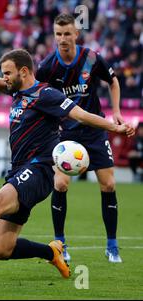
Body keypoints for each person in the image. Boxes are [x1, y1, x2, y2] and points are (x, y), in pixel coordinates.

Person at [0, 49, 134, 280]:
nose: (5, 78)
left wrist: (114, 127)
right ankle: (52, 252)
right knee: (1, 249)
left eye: (8, 73)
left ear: (24, 71)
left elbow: (80, 114)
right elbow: (4, 85)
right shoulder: (19, 93)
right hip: (19, 171)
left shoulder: (47, 94)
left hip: (40, 169)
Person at [35, 13, 126, 263]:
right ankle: (60, 244)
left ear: (76, 34)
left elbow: (113, 81)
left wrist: (116, 112)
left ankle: (112, 245)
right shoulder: (46, 67)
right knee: (61, 184)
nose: (62, 39)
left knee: (108, 185)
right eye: (58, 34)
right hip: (65, 133)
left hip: (95, 129)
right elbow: (35, 96)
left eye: (67, 34)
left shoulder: (91, 58)